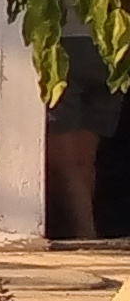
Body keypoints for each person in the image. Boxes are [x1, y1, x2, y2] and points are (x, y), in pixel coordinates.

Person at [46, 24, 118, 242]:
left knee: (63, 162)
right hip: (110, 46)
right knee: (83, 160)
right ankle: (87, 230)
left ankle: (85, 235)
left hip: (63, 43)